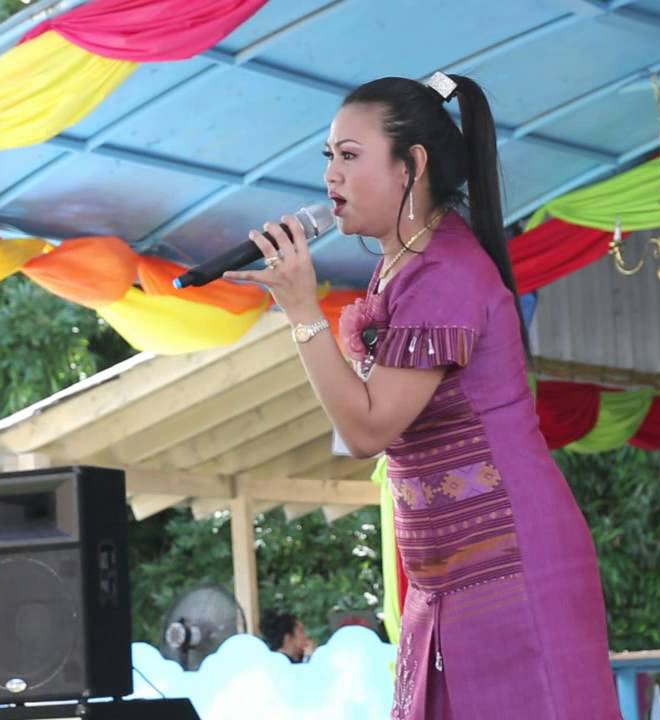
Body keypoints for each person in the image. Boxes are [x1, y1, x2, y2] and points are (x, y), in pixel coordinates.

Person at [224, 72, 617, 718]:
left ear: (413, 166)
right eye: (329, 158)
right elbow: (363, 425)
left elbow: (366, 430)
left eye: (350, 157)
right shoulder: (397, 268)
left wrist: (302, 309)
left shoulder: (446, 271)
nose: (331, 178)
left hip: (513, 566)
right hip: (446, 577)